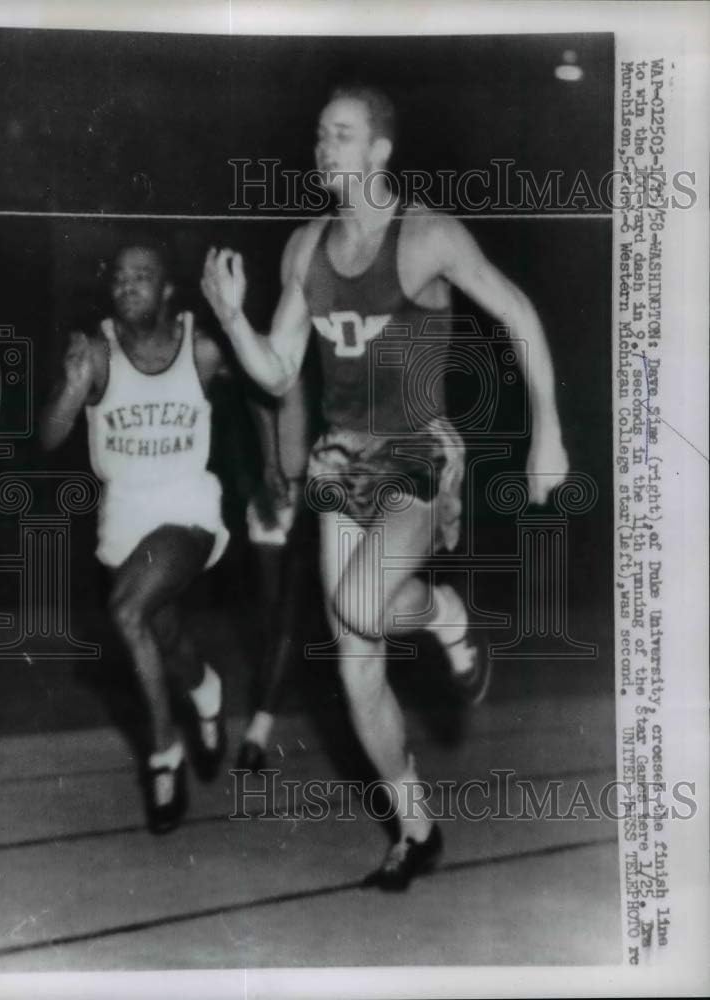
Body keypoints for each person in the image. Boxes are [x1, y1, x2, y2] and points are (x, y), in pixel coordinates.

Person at [201, 85, 569, 889]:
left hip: (415, 451)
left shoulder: (426, 235)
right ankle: (415, 828)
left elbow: (520, 316)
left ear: (378, 153)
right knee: (354, 664)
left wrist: (547, 429)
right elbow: (275, 369)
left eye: (341, 135)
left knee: (360, 607)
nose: (323, 149)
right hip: (341, 459)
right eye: (319, 135)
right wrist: (233, 320)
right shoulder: (305, 247)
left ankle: (444, 613)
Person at [41, 240, 229, 835]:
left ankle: (163, 754)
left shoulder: (199, 348)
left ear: (167, 289)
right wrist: (72, 390)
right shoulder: (94, 354)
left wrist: (280, 467)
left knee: (126, 611)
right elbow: (47, 438)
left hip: (189, 510)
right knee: (163, 634)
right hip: (124, 521)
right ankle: (206, 689)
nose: (127, 286)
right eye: (119, 277)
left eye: (142, 276)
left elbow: (265, 389)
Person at [238, 378, 311, 772]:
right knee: (278, 623)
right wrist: (257, 481)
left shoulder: (319, 358)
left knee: (286, 618)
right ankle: (267, 712)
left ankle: (259, 729)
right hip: (271, 500)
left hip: (306, 497)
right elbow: (239, 431)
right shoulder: (260, 366)